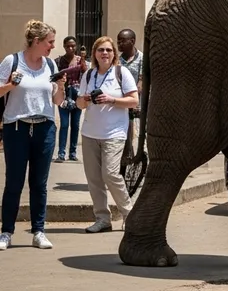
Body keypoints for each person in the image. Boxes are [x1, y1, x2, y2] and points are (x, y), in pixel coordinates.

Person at [0, 20, 66, 250]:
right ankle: (6, 232)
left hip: (45, 128)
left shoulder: (50, 65)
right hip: (16, 128)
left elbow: (58, 101)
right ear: (36, 41)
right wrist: (10, 84)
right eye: (50, 42)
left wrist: (62, 86)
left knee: (39, 183)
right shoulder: (13, 61)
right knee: (14, 182)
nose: (52, 47)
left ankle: (39, 231)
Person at [77, 36, 139, 233]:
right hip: (90, 133)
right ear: (95, 54)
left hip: (114, 133)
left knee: (111, 174)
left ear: (114, 54)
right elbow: (79, 104)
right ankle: (102, 218)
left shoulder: (122, 73)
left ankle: (129, 214)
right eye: (101, 50)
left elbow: (134, 101)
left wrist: (111, 99)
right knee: (94, 178)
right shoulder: (88, 75)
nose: (105, 53)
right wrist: (86, 100)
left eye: (109, 50)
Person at [54, 36, 87, 163]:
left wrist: (83, 58)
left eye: (73, 46)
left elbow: (84, 71)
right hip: (63, 93)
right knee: (64, 124)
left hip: (77, 94)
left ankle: (72, 153)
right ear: (64, 46)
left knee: (75, 124)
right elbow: (55, 77)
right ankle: (61, 153)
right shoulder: (58, 61)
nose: (70, 48)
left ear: (76, 47)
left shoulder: (79, 60)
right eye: (68, 46)